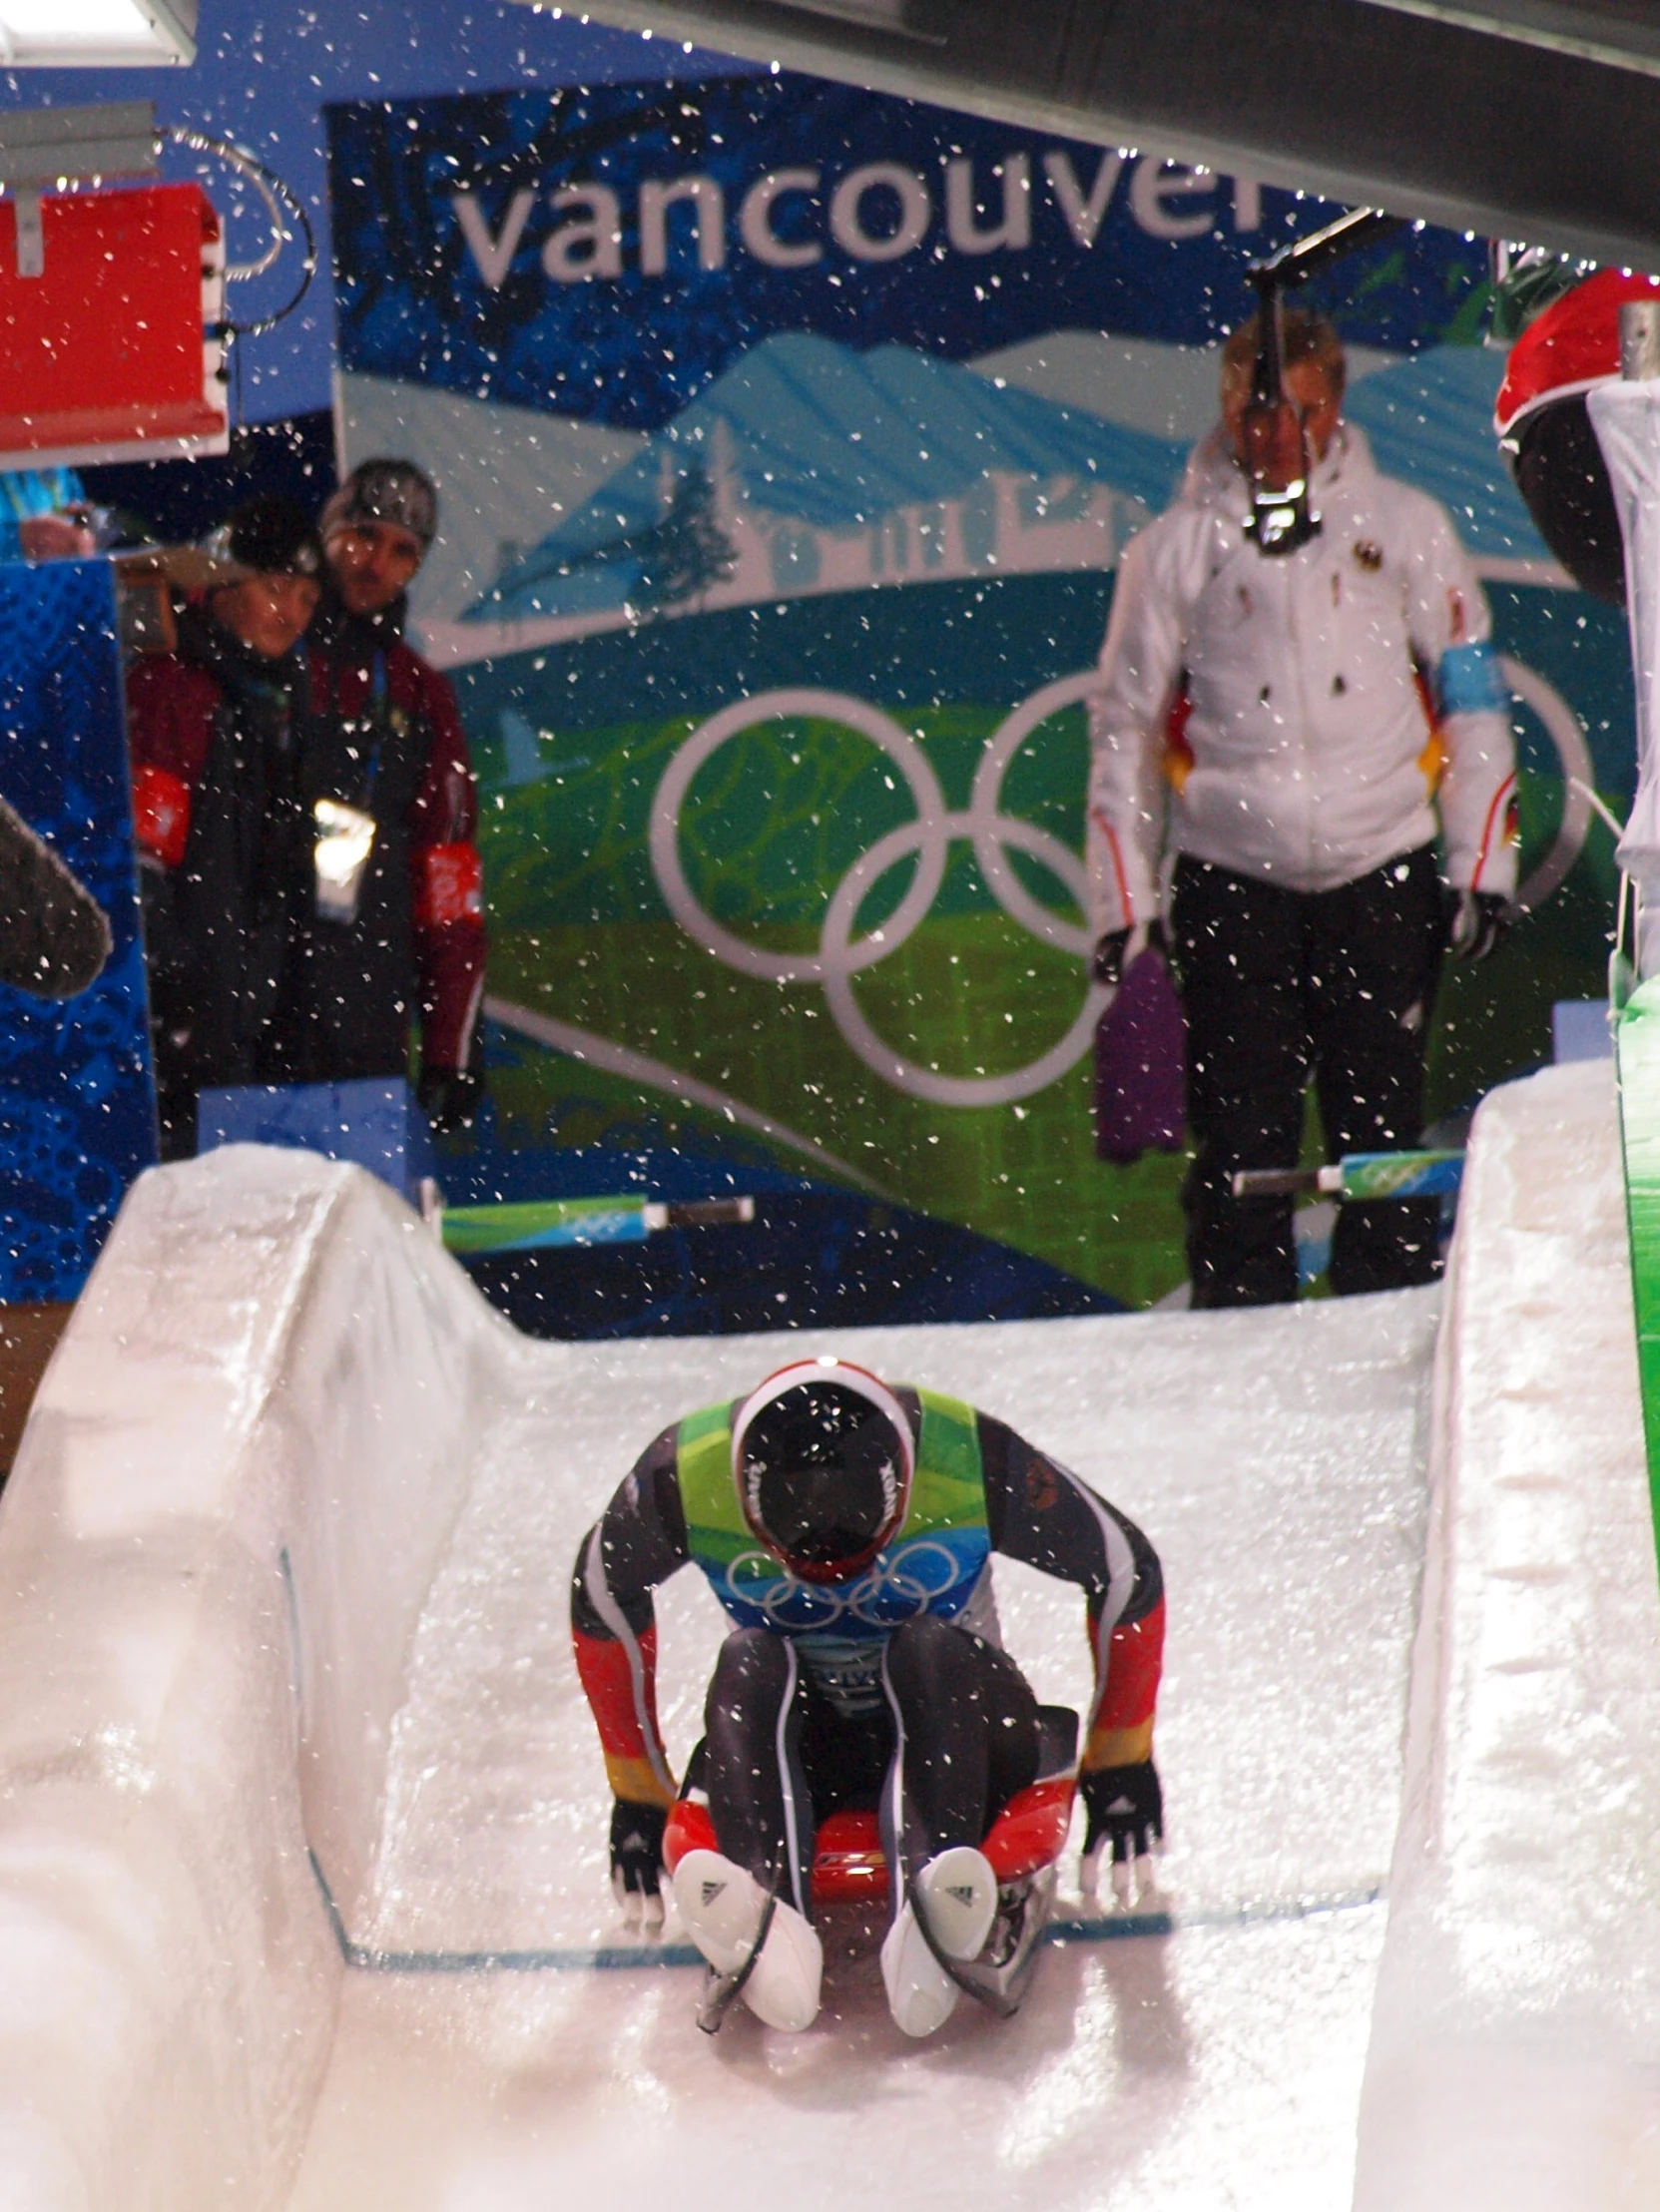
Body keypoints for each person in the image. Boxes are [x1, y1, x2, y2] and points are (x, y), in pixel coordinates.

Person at [1086, 308, 1519, 1307]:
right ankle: (1241, 1337)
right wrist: (1123, 903)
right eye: (1256, 410)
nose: (1276, 432)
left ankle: (1392, 1319)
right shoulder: (1172, 550)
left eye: (1301, 410)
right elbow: (1123, 726)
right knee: (1240, 1134)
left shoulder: (1403, 526)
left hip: (1383, 864)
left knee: (1382, 1125)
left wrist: (1480, 861)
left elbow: (1474, 700)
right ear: (1228, 407)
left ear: (1336, 406)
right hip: (1234, 874)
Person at [571, 1356, 1164, 2036]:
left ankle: (932, 1883)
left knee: (925, 1645)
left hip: (963, 1727)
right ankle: (771, 1905)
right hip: (810, 1739)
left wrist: (1121, 1755)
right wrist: (638, 1791)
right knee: (750, 1655)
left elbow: (1125, 1569)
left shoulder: (967, 1454)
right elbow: (600, 1597)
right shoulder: (683, 1475)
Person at [126, 498, 323, 1158]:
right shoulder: (177, 687)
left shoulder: (278, 707)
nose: (289, 613)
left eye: (305, 596)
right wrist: (172, 1000)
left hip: (227, 1041)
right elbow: (143, 868)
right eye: (273, 587)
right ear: (220, 585)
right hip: (170, 1047)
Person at [301, 459, 486, 1131]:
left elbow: (448, 879)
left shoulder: (419, 694)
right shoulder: (255, 643)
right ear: (327, 533)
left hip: (360, 1010)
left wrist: (450, 1049)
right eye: (362, 536)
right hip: (241, 1009)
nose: (375, 563)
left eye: (402, 552)